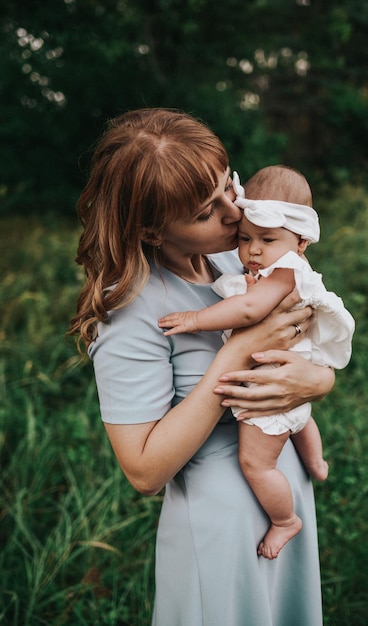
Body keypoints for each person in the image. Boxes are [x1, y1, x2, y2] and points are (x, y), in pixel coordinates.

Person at [69, 108, 335, 626]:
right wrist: (235, 354)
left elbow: (303, 347)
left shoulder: (241, 258)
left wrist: (319, 381)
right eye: (203, 212)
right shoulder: (132, 311)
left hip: (284, 489)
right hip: (220, 521)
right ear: (150, 230)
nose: (234, 215)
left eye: (226, 188)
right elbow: (143, 471)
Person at [159, 165, 355, 560]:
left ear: (302, 242)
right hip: (290, 387)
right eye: (246, 238)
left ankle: (285, 520)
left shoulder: (284, 273)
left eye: (267, 239)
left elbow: (249, 311)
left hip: (270, 384)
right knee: (301, 417)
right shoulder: (266, 266)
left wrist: (196, 319)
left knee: (255, 463)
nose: (253, 250)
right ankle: (315, 460)